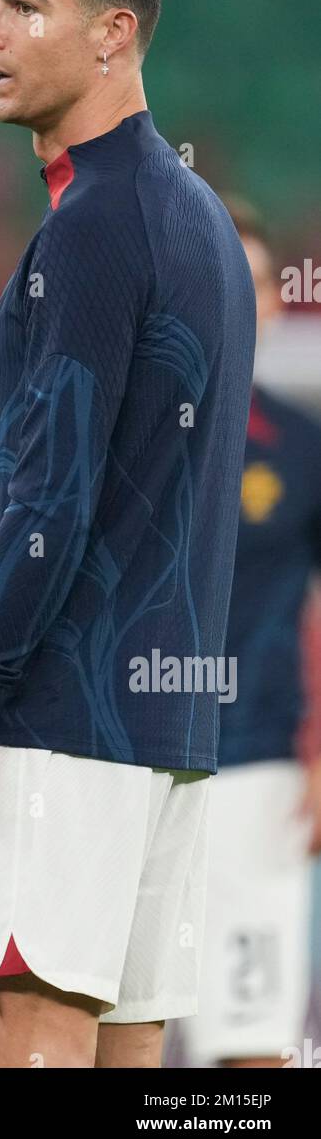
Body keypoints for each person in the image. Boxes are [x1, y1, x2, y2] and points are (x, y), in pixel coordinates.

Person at [0, 0, 256, 1069]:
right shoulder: (197, 217)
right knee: (127, 1057)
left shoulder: (94, 225)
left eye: (21, 4)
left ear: (111, 33)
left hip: (59, 722)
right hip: (164, 728)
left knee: (29, 1045)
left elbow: (45, 500)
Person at [180, 215, 321, 1068]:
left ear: (273, 305)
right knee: (99, 1034)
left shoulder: (303, 451)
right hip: (117, 765)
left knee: (251, 1050)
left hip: (256, 767)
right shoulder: (110, 432)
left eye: (255, 281)